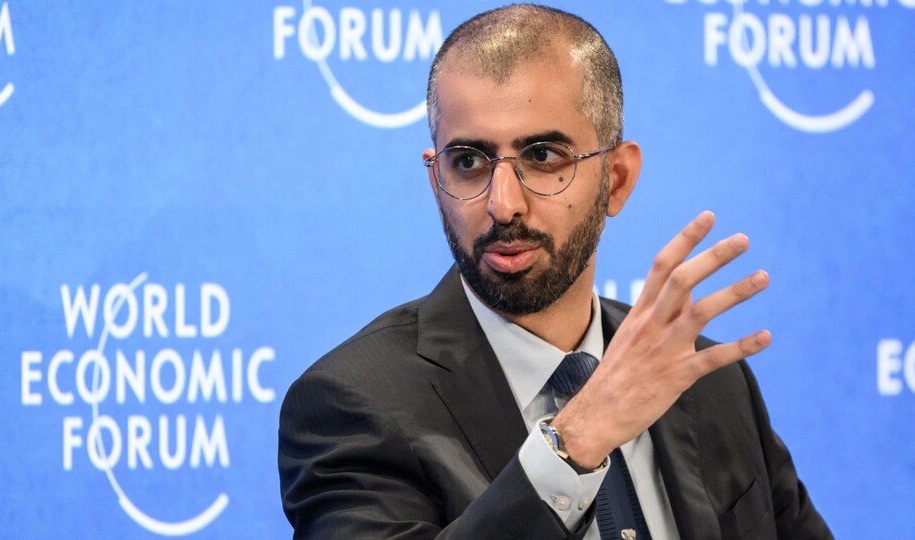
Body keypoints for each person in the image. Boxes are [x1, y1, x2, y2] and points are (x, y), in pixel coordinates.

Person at [279, 4, 832, 539]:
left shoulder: (711, 384)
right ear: (435, 181)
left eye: (543, 156)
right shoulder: (351, 402)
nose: (503, 204)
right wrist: (576, 438)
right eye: (468, 162)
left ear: (616, 179)